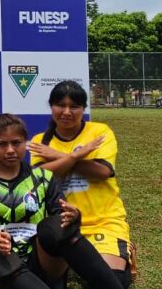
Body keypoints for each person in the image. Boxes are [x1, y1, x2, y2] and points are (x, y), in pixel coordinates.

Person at [0, 113, 123, 288]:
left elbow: (60, 214)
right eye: (2, 144)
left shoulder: (43, 177)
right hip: (1, 259)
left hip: (39, 258)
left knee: (55, 226)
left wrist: (73, 216)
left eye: (16, 143)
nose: (10, 150)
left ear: (26, 143)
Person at [28, 80, 133, 287]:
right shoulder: (41, 141)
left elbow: (102, 171)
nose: (66, 112)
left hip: (103, 222)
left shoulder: (100, 132)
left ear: (83, 109)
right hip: (64, 226)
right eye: (60, 105)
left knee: (114, 281)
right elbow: (40, 176)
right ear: (51, 107)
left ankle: (121, 250)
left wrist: (59, 156)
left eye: (74, 106)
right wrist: (78, 156)